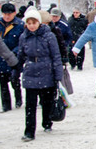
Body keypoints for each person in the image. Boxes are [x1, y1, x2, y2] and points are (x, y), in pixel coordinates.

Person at [17, 9, 63, 142]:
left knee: (47, 101)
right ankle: (29, 131)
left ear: (39, 22)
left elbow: (55, 56)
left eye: (34, 22)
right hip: (30, 72)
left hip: (46, 71)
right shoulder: (23, 37)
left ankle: (47, 122)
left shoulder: (49, 36)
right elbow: (21, 55)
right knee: (30, 105)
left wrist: (57, 74)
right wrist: (16, 70)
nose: (31, 25)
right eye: (29, 23)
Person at [0, 3, 24, 112]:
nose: (7, 16)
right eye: (4, 14)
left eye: (9, 14)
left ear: (14, 13)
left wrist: (15, 52)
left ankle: (18, 98)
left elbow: (22, 42)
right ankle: (6, 105)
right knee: (3, 83)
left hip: (14, 58)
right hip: (0, 58)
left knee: (14, 80)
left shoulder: (20, 25)